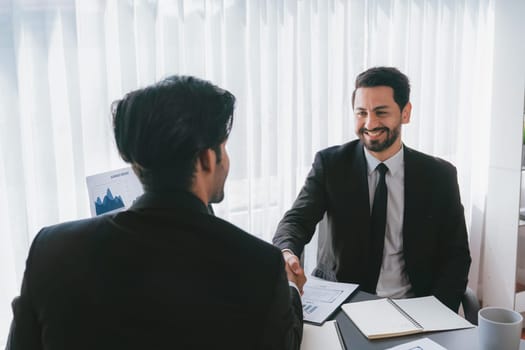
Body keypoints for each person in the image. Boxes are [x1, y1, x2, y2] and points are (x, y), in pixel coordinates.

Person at [7, 76, 303, 349]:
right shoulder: (259, 267)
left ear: (137, 164)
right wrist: (290, 289)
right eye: (223, 148)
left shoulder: (51, 250)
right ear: (206, 159)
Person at [273, 67, 471, 312]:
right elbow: (296, 221)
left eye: (381, 112)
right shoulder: (330, 165)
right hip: (344, 304)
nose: (369, 123)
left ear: (405, 113)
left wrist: (438, 313)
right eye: (361, 113)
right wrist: (286, 251)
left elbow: (457, 256)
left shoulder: (440, 176)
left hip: (412, 306)